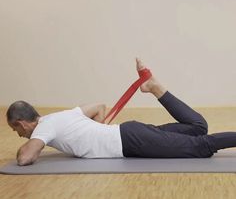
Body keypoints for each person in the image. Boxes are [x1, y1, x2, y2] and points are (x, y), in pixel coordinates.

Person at [6, 58, 236, 166]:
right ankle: (155, 88)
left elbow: (26, 158)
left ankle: (155, 87)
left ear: (21, 123)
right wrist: (99, 129)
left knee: (201, 145)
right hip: (130, 134)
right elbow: (99, 106)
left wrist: (24, 147)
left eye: (14, 129)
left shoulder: (44, 127)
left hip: (132, 141)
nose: (17, 135)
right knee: (198, 128)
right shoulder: (60, 116)